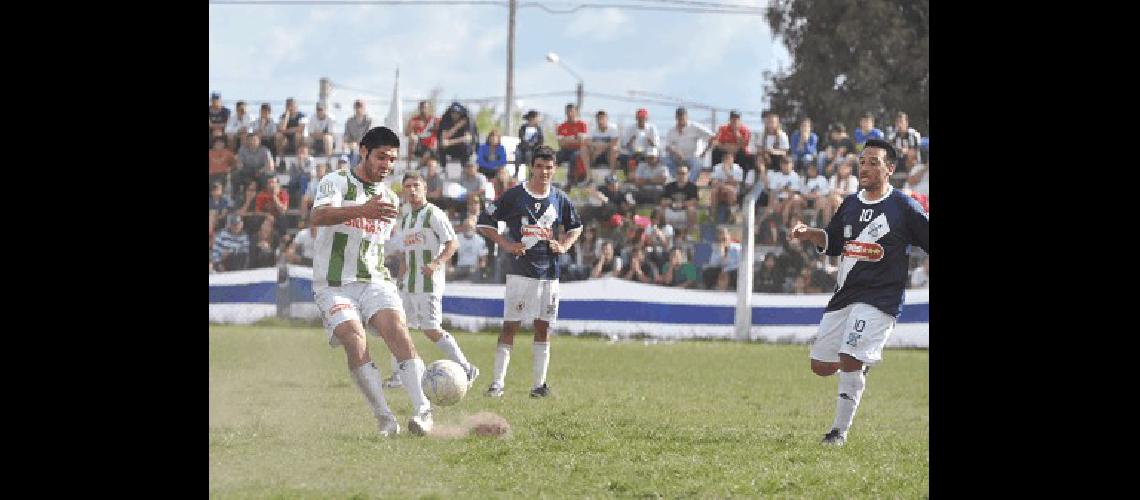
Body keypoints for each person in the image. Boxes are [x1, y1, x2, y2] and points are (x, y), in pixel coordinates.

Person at [789, 139, 929, 446]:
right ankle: (860, 363)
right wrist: (810, 233)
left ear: (890, 169)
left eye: (873, 163)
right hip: (845, 296)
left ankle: (837, 432)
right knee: (821, 366)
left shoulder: (903, 206)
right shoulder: (850, 204)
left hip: (881, 300)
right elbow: (834, 242)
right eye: (862, 162)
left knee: (849, 357)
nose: (864, 167)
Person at [308, 126, 436, 437]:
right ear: (363, 151)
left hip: (375, 279)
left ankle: (423, 411)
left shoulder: (390, 197)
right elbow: (318, 217)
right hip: (334, 284)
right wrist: (363, 209)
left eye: (392, 160)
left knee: (397, 331)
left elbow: (382, 243)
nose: (387, 165)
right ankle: (385, 418)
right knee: (354, 339)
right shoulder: (335, 181)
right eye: (381, 157)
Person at [476, 144, 583, 398]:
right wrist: (506, 244)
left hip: (549, 273)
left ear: (554, 169)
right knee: (510, 326)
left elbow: (576, 226)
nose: (544, 172)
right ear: (531, 168)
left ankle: (538, 385)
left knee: (544, 327)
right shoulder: (515, 196)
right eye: (539, 167)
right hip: (520, 272)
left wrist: (564, 245)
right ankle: (497, 384)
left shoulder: (559, 198)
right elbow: (484, 222)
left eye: (549, 168)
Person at [381, 171, 480, 389]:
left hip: (429, 283)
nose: (412, 190)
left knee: (430, 329)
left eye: (416, 185)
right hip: (408, 283)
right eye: (408, 186)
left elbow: (452, 243)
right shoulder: (406, 219)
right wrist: (400, 281)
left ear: (425, 188)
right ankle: (399, 376)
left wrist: (436, 263)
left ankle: (466, 367)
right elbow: (406, 254)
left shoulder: (434, 214)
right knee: (397, 328)